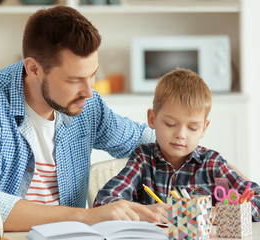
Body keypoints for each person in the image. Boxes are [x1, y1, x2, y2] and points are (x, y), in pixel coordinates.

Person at [0, 5, 168, 231]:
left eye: (92, 74)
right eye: (73, 80)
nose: (88, 90)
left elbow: (150, 140)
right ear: (34, 69)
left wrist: (200, 161)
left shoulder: (87, 103)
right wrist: (88, 216)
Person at [93, 68, 260, 221]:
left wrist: (223, 214)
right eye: (170, 124)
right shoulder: (143, 160)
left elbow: (256, 200)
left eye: (193, 128)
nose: (180, 134)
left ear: (203, 129)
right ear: (152, 119)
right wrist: (143, 213)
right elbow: (104, 201)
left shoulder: (212, 164)